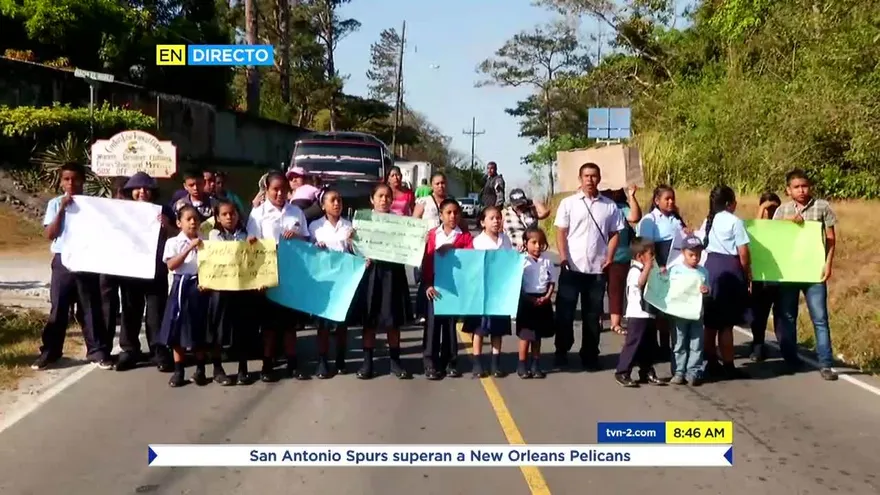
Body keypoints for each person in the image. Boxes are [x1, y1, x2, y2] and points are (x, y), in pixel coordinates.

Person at [32, 163, 113, 371]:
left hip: (86, 261)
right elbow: (50, 234)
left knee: (90, 307)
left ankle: (97, 351)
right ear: (61, 182)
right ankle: (51, 352)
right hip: (62, 261)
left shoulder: (93, 205)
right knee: (59, 307)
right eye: (66, 179)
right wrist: (62, 209)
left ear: (83, 181)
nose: (71, 183)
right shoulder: (55, 203)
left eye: (75, 179)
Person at [553, 162, 624, 370]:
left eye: (593, 176)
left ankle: (590, 354)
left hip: (596, 269)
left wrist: (609, 257)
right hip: (571, 267)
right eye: (586, 176)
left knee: (593, 315)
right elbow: (561, 233)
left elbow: (615, 234)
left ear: (599, 179)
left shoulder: (609, 206)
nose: (589, 180)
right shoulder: (569, 203)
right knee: (565, 313)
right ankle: (562, 351)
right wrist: (564, 257)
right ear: (580, 179)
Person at [773, 169, 839, 381]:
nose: (802, 190)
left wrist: (828, 264)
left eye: (805, 186)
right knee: (787, 316)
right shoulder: (782, 211)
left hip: (814, 270)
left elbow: (830, 238)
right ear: (788, 190)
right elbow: (772, 236)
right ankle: (791, 359)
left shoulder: (822, 207)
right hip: (789, 272)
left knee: (820, 318)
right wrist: (788, 222)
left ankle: (826, 363)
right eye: (796, 187)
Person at [246, 170, 311, 381]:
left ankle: (293, 363)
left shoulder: (296, 212)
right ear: (267, 190)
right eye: (275, 189)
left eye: (284, 189)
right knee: (269, 324)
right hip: (268, 272)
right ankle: (267, 364)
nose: (280, 193)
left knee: (290, 323)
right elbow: (251, 241)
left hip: (291, 273)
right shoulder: (258, 213)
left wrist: (298, 236)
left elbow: (308, 242)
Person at [115, 172, 177, 373]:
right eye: (138, 188)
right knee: (130, 311)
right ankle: (129, 350)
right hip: (130, 269)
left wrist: (166, 225)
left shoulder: (164, 209)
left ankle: (159, 351)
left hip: (156, 269)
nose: (142, 192)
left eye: (146, 189)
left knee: (155, 313)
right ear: (130, 191)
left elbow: (177, 234)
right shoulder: (122, 210)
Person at [353, 184, 413, 380]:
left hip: (393, 273)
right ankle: (367, 362)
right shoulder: (362, 219)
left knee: (392, 320)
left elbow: (409, 246)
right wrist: (351, 242)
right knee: (369, 320)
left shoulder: (399, 221)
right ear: (372, 199)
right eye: (380, 196)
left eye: (388, 196)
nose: (384, 200)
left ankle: (395, 362)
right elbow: (356, 247)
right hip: (370, 273)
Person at [700, 185, 751, 380]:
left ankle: (711, 363)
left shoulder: (709, 220)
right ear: (730, 203)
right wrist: (747, 275)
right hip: (730, 268)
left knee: (711, 322)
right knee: (727, 324)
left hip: (711, 266)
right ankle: (729, 365)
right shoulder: (735, 221)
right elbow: (743, 253)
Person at [206, 199, 258, 386]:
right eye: (225, 214)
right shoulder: (212, 236)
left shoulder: (246, 235)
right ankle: (218, 368)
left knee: (242, 329)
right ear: (218, 218)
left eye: (233, 213)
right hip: (219, 289)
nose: (229, 217)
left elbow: (255, 261)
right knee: (218, 329)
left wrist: (253, 245)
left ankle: (243, 369)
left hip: (241, 289)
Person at [159, 205, 211, 388]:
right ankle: (179, 370)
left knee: (199, 329)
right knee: (177, 331)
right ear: (179, 223)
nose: (192, 222)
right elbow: (171, 265)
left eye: (195, 219)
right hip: (181, 287)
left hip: (200, 286)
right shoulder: (173, 242)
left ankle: (200, 370)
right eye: (188, 219)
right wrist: (189, 248)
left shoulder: (206, 241)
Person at [422, 198, 474, 380]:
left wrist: (452, 246)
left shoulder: (465, 237)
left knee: (450, 326)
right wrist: (427, 284)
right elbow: (427, 260)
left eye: (456, 212)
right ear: (441, 215)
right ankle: (430, 363)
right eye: (448, 213)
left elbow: (469, 259)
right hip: (435, 286)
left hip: (454, 288)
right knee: (432, 326)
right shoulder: (432, 235)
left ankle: (451, 362)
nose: (452, 216)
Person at [636, 184, 688, 361]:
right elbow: (646, 246)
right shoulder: (649, 220)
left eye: (672, 198)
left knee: (669, 309)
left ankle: (667, 346)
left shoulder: (676, 219)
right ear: (657, 201)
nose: (671, 202)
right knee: (654, 309)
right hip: (657, 265)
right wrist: (657, 266)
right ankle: (651, 346)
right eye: (667, 199)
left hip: (675, 266)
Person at [309, 189, 357, 379]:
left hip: (343, 282)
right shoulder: (314, 227)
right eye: (332, 200)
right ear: (323, 205)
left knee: (342, 323)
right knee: (323, 325)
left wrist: (354, 242)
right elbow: (307, 252)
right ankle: (322, 360)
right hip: (323, 282)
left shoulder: (349, 226)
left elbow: (355, 252)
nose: (337, 204)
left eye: (339, 200)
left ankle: (340, 359)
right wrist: (315, 247)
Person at [462, 206, 513, 378]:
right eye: (492, 218)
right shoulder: (477, 242)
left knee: (498, 329)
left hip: (499, 293)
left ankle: (495, 364)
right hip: (481, 293)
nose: (496, 221)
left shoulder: (505, 240)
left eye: (498, 217)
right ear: (483, 222)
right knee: (479, 328)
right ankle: (477, 363)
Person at [613, 237, 666, 387]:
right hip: (637, 313)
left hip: (649, 313)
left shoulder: (648, 268)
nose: (653, 257)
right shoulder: (635, 270)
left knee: (648, 345)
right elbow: (640, 282)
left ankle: (646, 370)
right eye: (650, 254)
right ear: (639, 256)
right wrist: (648, 266)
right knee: (633, 343)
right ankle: (622, 371)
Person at [668, 235, 711, 386]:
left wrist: (706, 291)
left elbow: (708, 292)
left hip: (696, 314)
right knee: (679, 343)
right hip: (679, 314)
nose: (695, 258)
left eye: (698, 255)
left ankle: (693, 371)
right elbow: (669, 290)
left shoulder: (703, 272)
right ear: (683, 253)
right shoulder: (675, 271)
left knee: (696, 343)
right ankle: (679, 371)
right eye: (691, 255)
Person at [516, 227, 556, 379]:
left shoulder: (547, 261)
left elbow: (551, 281)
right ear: (526, 243)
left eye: (541, 243)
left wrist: (547, 296)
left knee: (537, 336)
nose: (538, 246)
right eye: (533, 242)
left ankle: (535, 364)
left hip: (542, 300)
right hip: (527, 300)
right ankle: (522, 364)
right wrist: (529, 298)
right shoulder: (522, 260)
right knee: (526, 335)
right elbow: (517, 283)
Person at [601, 186, 642, 336]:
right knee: (597, 291)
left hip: (620, 255)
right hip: (598, 256)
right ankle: (598, 317)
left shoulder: (621, 207)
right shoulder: (597, 206)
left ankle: (615, 323)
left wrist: (632, 196)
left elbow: (634, 217)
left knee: (616, 290)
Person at [748, 192, 782, 362]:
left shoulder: (785, 226)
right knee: (758, 315)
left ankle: (786, 347)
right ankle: (758, 346)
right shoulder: (755, 227)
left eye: (775, 208)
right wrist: (762, 210)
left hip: (782, 277)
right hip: (761, 277)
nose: (772, 212)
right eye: (769, 208)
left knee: (782, 315)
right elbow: (756, 232)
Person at [99, 176, 130, 347]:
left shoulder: (138, 211)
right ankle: (104, 347)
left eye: (124, 192)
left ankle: (127, 346)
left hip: (130, 264)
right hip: (108, 263)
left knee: (128, 305)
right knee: (108, 306)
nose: (120, 196)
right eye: (117, 192)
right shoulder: (102, 210)